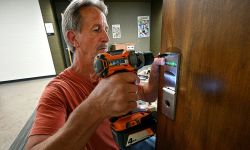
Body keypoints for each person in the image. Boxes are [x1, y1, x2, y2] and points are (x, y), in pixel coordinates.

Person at [26, 0, 163, 149]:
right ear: (73, 39)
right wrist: (96, 107)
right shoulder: (58, 91)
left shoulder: (109, 72)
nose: (106, 37)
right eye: (97, 29)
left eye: (106, 29)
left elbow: (148, 95)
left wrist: (155, 73)